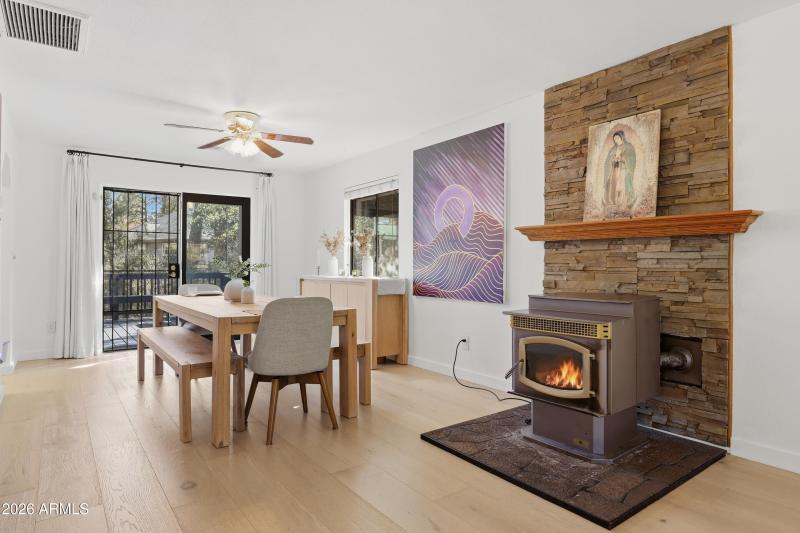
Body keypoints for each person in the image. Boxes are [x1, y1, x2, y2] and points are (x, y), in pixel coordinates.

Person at [603, 130, 636, 213]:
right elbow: (607, 160)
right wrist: (612, 159)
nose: (616, 140)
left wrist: (623, 159)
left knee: (622, 185)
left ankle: (622, 202)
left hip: (623, 169)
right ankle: (613, 202)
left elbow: (632, 158)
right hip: (614, 170)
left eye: (617, 138)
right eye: (615, 139)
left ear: (622, 137)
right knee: (614, 184)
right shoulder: (613, 149)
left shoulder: (628, 147)